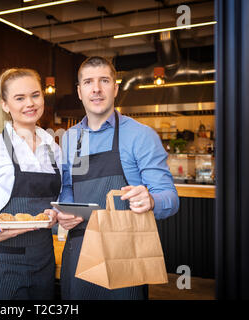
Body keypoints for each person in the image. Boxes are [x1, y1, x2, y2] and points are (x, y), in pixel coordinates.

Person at [51, 56, 179, 300]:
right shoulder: (71, 138)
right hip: (79, 250)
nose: (96, 89)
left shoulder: (141, 136)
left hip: (125, 253)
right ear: (79, 91)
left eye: (104, 80)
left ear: (115, 88)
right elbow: (68, 187)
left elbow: (170, 197)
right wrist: (66, 211)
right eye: (88, 82)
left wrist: (151, 200)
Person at [0, 68, 61, 300]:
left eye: (35, 95)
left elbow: (57, 199)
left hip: (43, 257)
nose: (30, 103)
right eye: (20, 98)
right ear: (5, 105)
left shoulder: (54, 148)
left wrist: (56, 213)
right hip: (2, 259)